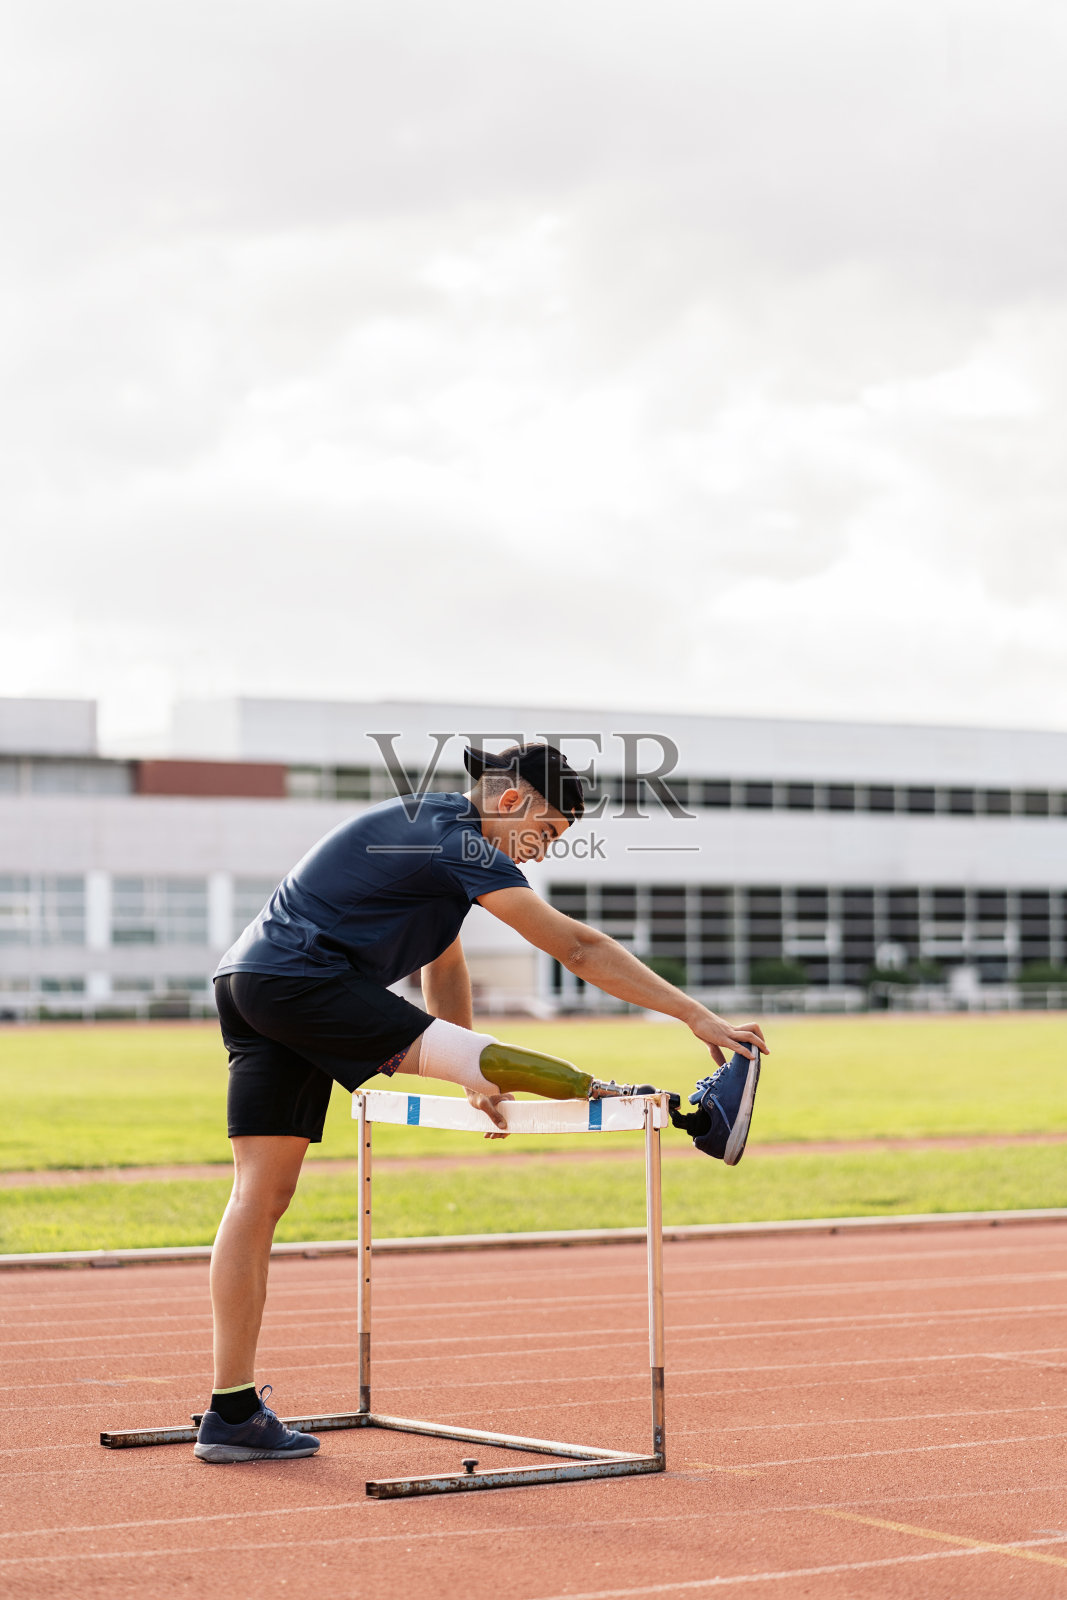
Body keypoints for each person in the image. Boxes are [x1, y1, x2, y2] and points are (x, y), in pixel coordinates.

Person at [194, 742, 768, 1462]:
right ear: (509, 802)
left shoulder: (427, 833)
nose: (543, 853)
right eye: (547, 834)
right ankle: (648, 1100)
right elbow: (578, 949)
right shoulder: (460, 839)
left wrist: (463, 1068)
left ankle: (232, 1411)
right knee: (495, 1063)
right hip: (301, 984)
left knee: (258, 1197)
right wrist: (694, 1015)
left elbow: (444, 962)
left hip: (247, 984)